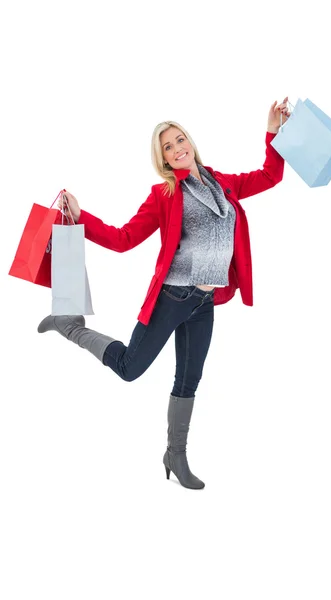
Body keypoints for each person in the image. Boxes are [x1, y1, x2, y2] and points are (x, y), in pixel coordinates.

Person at [38, 97, 291, 490]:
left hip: (205, 302)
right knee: (129, 369)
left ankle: (176, 454)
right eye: (167, 147)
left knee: (189, 380)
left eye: (179, 139)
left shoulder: (222, 182)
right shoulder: (165, 194)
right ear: (163, 158)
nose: (177, 149)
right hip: (173, 298)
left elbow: (271, 176)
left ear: (190, 140)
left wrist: (273, 131)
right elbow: (123, 239)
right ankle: (69, 325)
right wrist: (82, 215)